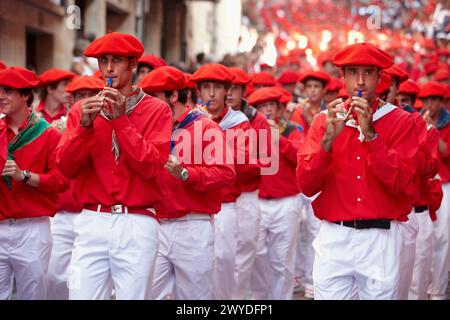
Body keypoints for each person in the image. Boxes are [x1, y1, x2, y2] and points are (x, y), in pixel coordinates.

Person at [297, 42, 420, 300]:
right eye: (353, 72)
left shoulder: (402, 121)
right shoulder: (324, 120)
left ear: (379, 77)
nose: (361, 81)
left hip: (380, 238)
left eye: (368, 73)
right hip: (333, 236)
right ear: (342, 77)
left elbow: (402, 184)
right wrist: (327, 143)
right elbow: (306, 184)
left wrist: (372, 135)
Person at [56, 32, 173, 300]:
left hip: (137, 220)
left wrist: (121, 121)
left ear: (133, 64)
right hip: (91, 219)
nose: (108, 68)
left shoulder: (158, 110)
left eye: (117, 60)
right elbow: (65, 168)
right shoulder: (81, 111)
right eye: (103, 60)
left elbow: (152, 167)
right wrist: (82, 128)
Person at [139, 66, 235, 299]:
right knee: (148, 295)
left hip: (193, 227)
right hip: (154, 224)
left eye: (153, 96)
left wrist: (185, 173)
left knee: (195, 299)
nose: (146, 102)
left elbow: (225, 174)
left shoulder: (206, 127)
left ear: (173, 96)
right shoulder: (147, 128)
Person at [0, 66, 69, 299]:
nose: (1, 96)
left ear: (25, 95)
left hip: (32, 230)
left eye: (8, 91)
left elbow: (61, 181)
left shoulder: (49, 134)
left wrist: (24, 176)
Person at [191, 63, 254, 300]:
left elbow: (241, 162)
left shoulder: (239, 122)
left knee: (225, 260)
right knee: (196, 266)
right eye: (206, 87)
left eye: (217, 88)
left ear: (226, 92)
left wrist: (211, 130)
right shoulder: (188, 118)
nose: (211, 94)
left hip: (225, 204)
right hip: (194, 204)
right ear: (199, 91)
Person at [46, 75, 105, 300]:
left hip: (91, 213)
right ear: (71, 101)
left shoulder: (108, 126)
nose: (87, 100)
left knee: (83, 280)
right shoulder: (55, 129)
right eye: (81, 96)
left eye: (93, 95)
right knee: (55, 276)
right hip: (62, 214)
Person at [248, 87, 303, 300]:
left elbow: (299, 157)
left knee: (282, 261)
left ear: (279, 108)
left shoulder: (291, 129)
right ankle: (260, 299)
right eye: (262, 107)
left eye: (271, 105)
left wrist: (276, 137)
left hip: (287, 202)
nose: (267, 110)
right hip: (257, 201)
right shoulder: (249, 131)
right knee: (256, 256)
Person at [226, 67, 272, 300]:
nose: (230, 93)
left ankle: (236, 300)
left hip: (245, 195)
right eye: (228, 88)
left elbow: (265, 162)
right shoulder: (208, 116)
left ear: (244, 91)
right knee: (218, 257)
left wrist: (229, 161)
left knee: (243, 256)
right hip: (219, 197)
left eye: (235, 88)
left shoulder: (258, 119)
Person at [418, 81, 450, 300]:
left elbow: (446, 152)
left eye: (434, 100)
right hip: (424, 183)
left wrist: (432, 131)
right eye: (426, 100)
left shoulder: (448, 123)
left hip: (445, 183)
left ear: (441, 101)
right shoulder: (417, 120)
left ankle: (438, 289)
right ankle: (425, 284)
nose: (430, 104)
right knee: (423, 239)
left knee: (442, 238)